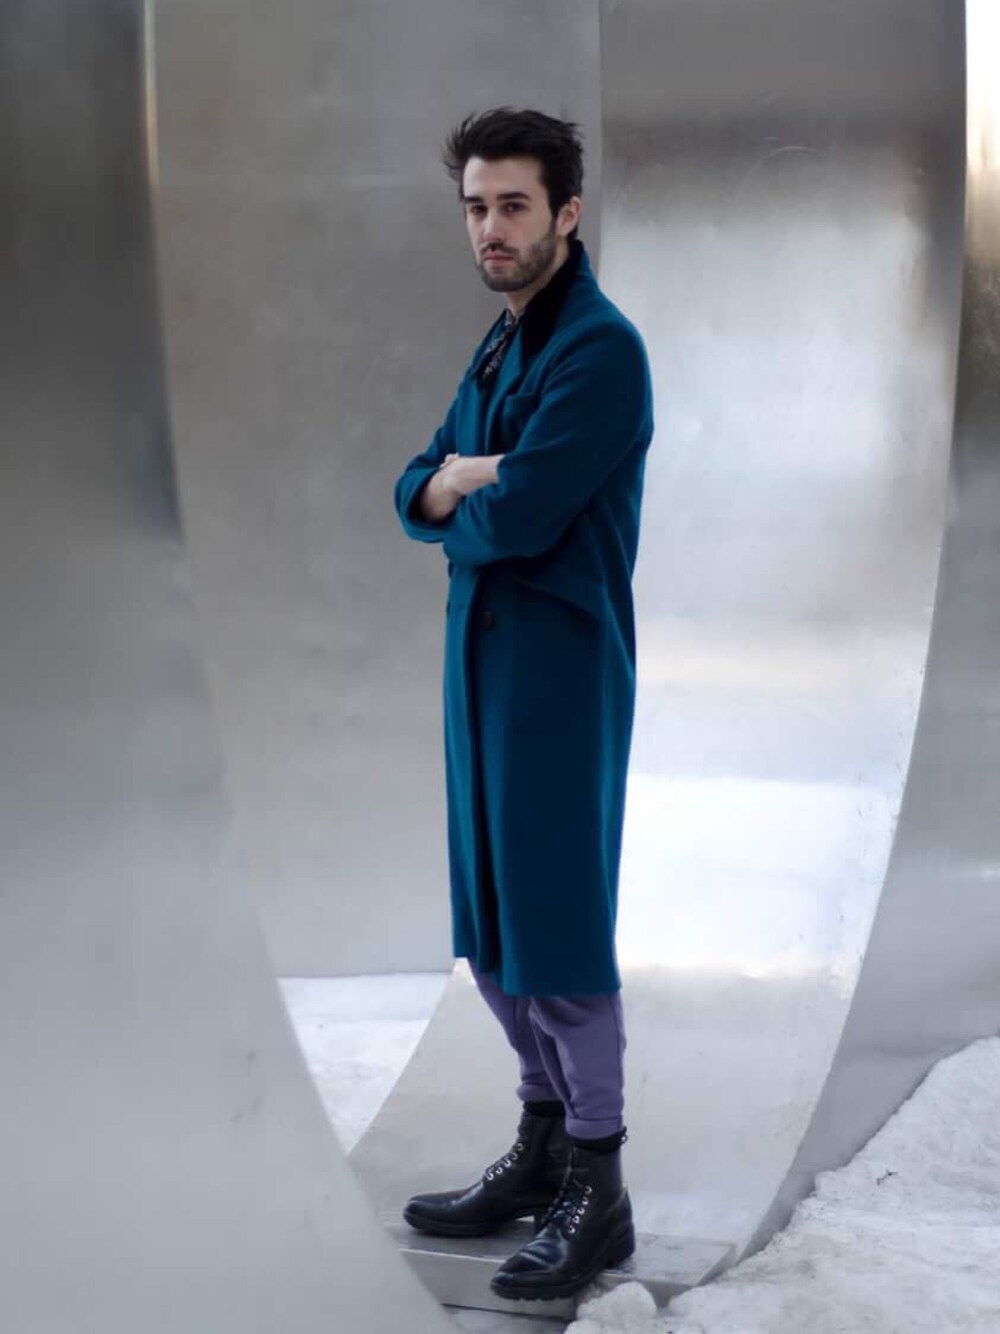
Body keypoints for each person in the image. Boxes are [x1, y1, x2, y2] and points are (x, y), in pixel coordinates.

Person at [392, 107, 653, 1302]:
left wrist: (470, 488)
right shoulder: (501, 345)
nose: (490, 228)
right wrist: (456, 477)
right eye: (475, 207)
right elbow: (413, 484)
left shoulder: (599, 351)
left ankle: (598, 1179)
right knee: (493, 925)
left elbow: (526, 513)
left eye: (512, 206)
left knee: (554, 924)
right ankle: (543, 1141)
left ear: (566, 212)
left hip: (555, 671)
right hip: (478, 667)